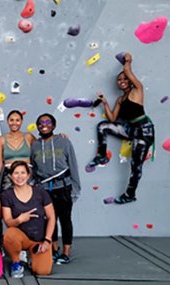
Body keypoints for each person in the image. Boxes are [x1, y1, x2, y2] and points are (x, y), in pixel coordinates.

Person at [88, 52, 155, 204]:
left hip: (143, 130)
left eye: (125, 78)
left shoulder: (137, 90)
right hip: (130, 129)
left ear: (130, 81)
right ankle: (102, 156)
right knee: (103, 126)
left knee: (135, 166)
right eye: (119, 79)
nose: (122, 80)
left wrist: (128, 61)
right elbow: (112, 119)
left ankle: (130, 194)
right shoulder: (120, 99)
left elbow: (128, 72)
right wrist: (105, 103)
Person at [30, 113, 80, 265]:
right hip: (44, 189)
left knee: (65, 220)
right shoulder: (35, 145)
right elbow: (33, 168)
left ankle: (66, 252)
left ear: (53, 125)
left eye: (47, 122)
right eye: (40, 122)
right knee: (49, 220)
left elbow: (73, 166)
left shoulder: (64, 141)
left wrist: (75, 190)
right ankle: (54, 249)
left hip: (63, 187)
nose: (44, 124)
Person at [1, 161, 55, 278]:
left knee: (43, 271)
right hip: (21, 237)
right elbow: (8, 221)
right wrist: (20, 219)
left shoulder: (40, 192)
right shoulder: (6, 195)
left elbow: (51, 218)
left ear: (28, 175)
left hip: (39, 240)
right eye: (16, 173)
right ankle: (16, 262)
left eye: (22, 173)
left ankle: (32, 256)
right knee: (9, 235)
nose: (19, 176)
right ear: (10, 176)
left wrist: (47, 240)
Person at [0, 110, 36, 191]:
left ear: (21, 122)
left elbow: (42, 146)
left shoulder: (28, 137)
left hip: (27, 174)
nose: (14, 123)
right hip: (8, 175)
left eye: (17, 120)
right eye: (11, 120)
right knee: (8, 200)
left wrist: (57, 137)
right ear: (7, 122)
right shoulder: (1, 139)